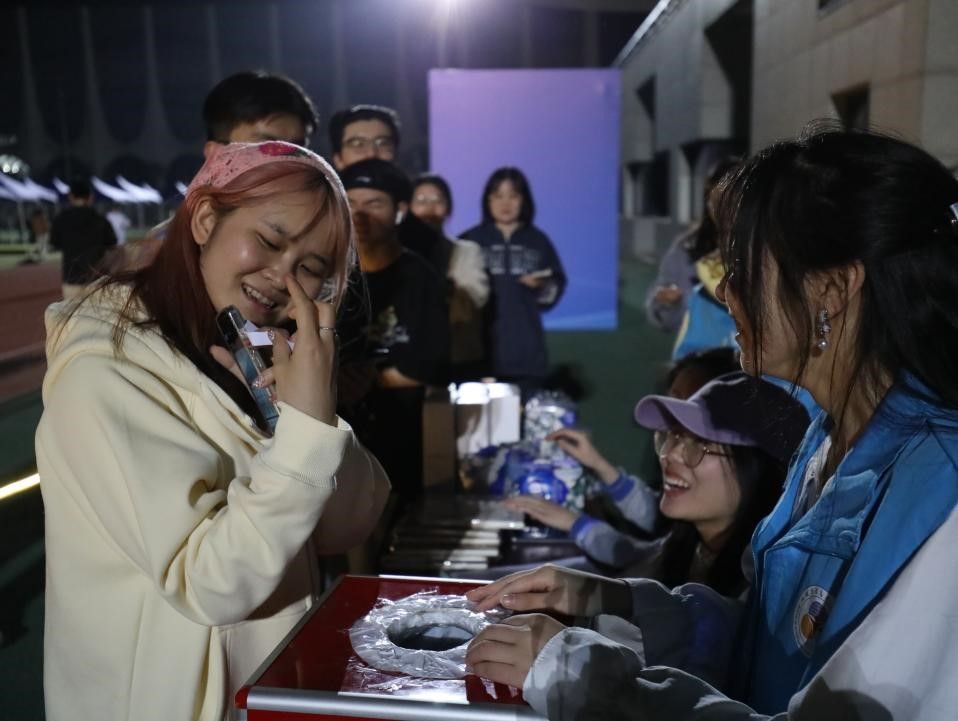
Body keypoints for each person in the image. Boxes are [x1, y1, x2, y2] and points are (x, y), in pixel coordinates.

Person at [465, 125, 958, 720]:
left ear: (831, 289)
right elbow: (767, 644)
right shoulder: (829, 438)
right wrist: (610, 600)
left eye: (742, 267)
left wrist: (581, 675)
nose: (724, 291)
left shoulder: (941, 495)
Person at [37, 141, 390, 721]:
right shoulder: (105, 372)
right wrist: (306, 433)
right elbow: (209, 583)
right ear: (204, 219)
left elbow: (346, 524)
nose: (282, 278)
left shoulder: (244, 349)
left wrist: (315, 417)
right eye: (270, 241)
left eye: (310, 268)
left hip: (261, 686)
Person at [505, 348, 745, 576]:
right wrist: (599, 466)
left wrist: (576, 523)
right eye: (672, 432)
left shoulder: (752, 576)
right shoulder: (688, 549)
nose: (669, 454)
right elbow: (650, 545)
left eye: (700, 440)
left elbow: (637, 556)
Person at [337, 158, 450, 503]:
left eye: (374, 204)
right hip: (338, 441)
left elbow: (432, 364)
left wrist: (368, 378)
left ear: (400, 210)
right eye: (350, 203)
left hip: (404, 437)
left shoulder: (421, 278)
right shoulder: (328, 275)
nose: (360, 215)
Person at [131, 70, 319, 269]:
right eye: (267, 148)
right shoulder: (164, 253)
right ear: (216, 154)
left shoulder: (318, 238)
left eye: (299, 150)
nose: (288, 162)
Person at [461, 167, 566, 396]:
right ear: (487, 200)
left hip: (525, 352)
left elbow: (555, 285)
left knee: (523, 414)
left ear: (524, 200)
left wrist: (542, 286)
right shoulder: (470, 240)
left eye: (513, 195)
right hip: (479, 353)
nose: (505, 203)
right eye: (498, 196)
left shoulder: (538, 241)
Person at [328, 104, 448, 274]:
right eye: (357, 144)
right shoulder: (316, 226)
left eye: (383, 143)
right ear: (338, 158)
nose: (371, 153)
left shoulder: (426, 241)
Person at [645, 158, 740, 360]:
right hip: (700, 362)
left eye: (733, 200)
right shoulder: (687, 248)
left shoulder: (770, 249)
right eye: (716, 201)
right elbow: (662, 315)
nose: (723, 210)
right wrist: (667, 302)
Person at [410, 173, 489, 378]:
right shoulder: (396, 252)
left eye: (437, 200)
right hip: (408, 357)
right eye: (421, 201)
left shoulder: (467, 251)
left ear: (448, 208)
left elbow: (477, 296)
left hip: (456, 356)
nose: (429, 208)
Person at [49, 178, 117, 299]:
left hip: (72, 277)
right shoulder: (100, 219)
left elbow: (54, 243)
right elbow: (112, 243)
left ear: (71, 196)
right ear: (90, 197)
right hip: (96, 277)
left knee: (72, 310)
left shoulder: (61, 219)